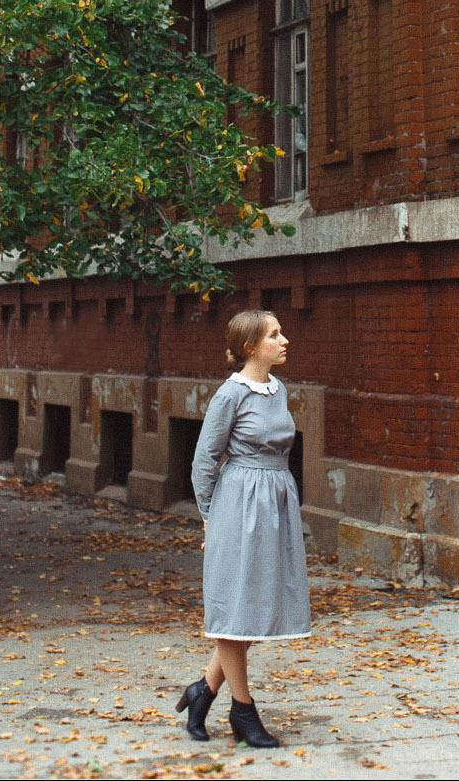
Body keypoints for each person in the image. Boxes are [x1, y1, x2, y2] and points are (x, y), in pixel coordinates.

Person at [177, 309, 311, 749]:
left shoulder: (278, 389)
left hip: (275, 504)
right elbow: (203, 462)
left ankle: (203, 689)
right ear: (252, 346)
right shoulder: (229, 395)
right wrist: (213, 519)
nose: (284, 340)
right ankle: (243, 710)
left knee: (254, 608)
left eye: (281, 332)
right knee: (236, 612)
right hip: (238, 505)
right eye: (275, 335)